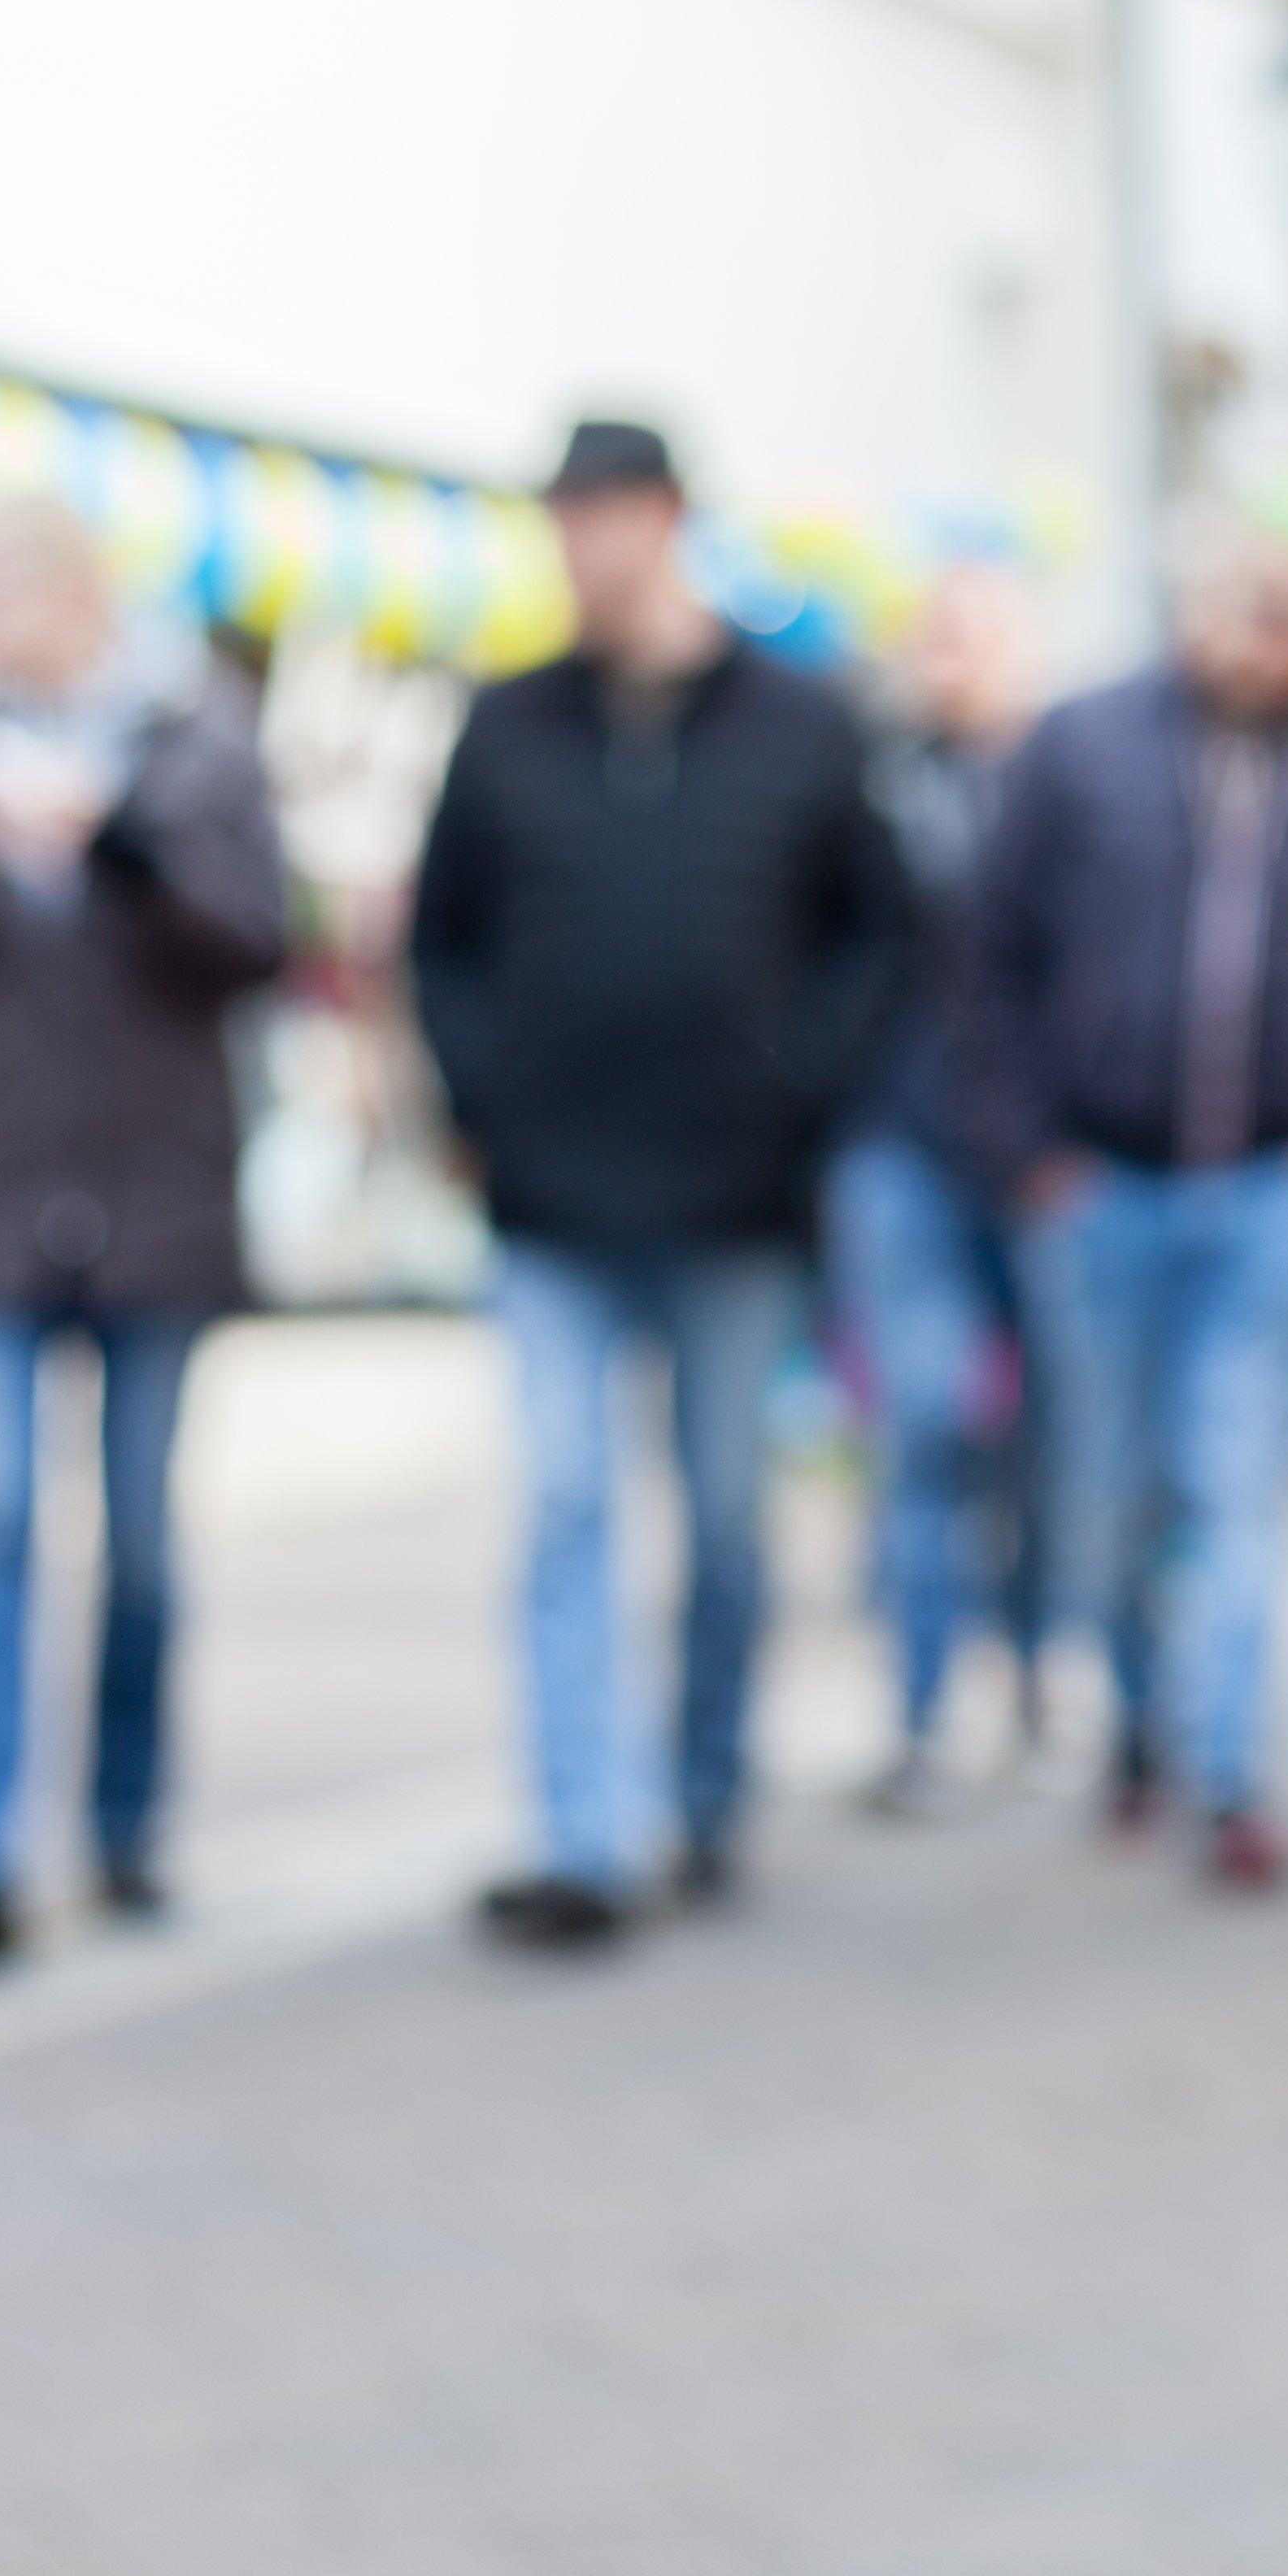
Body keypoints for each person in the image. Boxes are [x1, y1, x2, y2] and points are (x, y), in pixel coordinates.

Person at [410, 420, 912, 1947]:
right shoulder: (506, 723)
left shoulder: (803, 722)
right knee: (566, 1502)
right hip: (553, 1193)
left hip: (731, 1191)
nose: (589, 544)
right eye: (568, 518)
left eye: (612, 513)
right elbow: (442, 938)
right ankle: (585, 1830)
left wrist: (802, 1094)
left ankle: (702, 1790)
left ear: (672, 520)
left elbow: (881, 936)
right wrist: (478, 1097)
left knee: (725, 1520)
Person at [0, 494, 288, 1961]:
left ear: (85, 599)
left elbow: (260, 943)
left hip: (154, 1194)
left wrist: (118, 841)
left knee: (141, 1541)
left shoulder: (195, 740)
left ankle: (126, 1825)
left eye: (15, 596)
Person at [963, 530, 1288, 1895]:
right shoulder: (1080, 752)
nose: (1260, 643)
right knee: (1107, 1486)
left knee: (1238, 1482)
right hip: (1102, 1181)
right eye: (1244, 611)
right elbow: (987, 956)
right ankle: (1140, 1723)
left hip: (1273, 1185)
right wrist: (1028, 1146)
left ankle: (1232, 1773)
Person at [829, 561, 1056, 1812]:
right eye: (937, 638)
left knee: (1046, 1435)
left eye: (975, 639)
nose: (950, 661)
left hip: (1033, 1152)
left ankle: (1034, 1674)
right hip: (901, 1139)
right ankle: (919, 1712)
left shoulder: (1064, 784)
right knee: (922, 1428)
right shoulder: (878, 782)